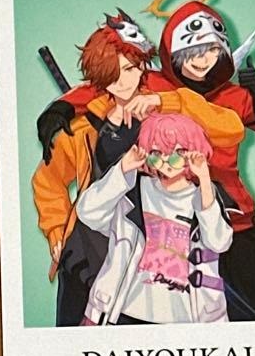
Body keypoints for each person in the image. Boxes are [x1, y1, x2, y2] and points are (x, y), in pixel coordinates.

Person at [39, 0, 255, 320]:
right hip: (156, 218)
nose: (202, 60)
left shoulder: (236, 99)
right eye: (191, 52)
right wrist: (62, 107)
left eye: (211, 50)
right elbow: (107, 83)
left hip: (231, 219)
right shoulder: (149, 82)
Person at [76, 112, 232, 325]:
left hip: (188, 319)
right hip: (122, 312)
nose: (167, 161)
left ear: (194, 152)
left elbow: (219, 242)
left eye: (178, 153)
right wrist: (122, 169)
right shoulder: (133, 191)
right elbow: (87, 213)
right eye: (157, 154)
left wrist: (204, 179)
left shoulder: (205, 197)